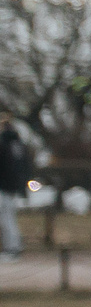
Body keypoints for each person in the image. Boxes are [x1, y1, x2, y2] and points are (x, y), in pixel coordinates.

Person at [0, 110, 29, 261]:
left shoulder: (4, 143)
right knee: (10, 219)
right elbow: (23, 166)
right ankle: (14, 247)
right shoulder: (18, 144)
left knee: (6, 219)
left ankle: (12, 249)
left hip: (4, 187)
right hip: (13, 187)